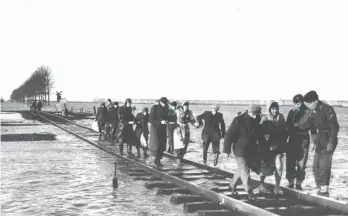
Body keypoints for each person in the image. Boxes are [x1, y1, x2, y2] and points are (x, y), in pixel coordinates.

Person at [297, 90, 339, 197]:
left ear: (315, 101)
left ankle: (325, 189)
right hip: (319, 139)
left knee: (324, 166)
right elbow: (303, 126)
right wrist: (305, 112)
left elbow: (335, 127)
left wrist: (331, 142)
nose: (309, 106)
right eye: (306, 105)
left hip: (329, 138)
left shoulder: (327, 109)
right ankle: (320, 188)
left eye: (309, 104)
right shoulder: (312, 111)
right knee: (315, 166)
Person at [223, 104, 262, 200]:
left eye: (257, 114)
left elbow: (256, 132)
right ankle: (249, 191)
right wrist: (226, 150)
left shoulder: (257, 118)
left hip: (250, 149)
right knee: (245, 169)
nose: (255, 116)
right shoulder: (238, 120)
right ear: (248, 111)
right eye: (253, 114)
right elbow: (228, 135)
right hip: (239, 149)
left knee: (241, 169)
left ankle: (232, 186)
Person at [286, 94, 317, 190]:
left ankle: (298, 184)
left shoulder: (309, 112)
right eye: (295, 104)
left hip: (304, 140)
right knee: (290, 162)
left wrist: (313, 142)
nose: (296, 105)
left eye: (298, 103)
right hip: (292, 140)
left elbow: (313, 128)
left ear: (302, 102)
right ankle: (291, 183)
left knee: (301, 164)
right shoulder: (291, 112)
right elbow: (288, 126)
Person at [258, 101, 288, 194]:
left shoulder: (281, 117)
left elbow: (286, 131)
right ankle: (261, 184)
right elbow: (259, 132)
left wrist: (283, 141)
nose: (275, 111)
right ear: (269, 109)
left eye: (276, 108)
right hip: (267, 147)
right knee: (265, 166)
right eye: (273, 109)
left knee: (279, 165)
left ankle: (277, 187)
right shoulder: (264, 117)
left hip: (278, 146)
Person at [149, 97, 169, 167]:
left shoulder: (166, 108)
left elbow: (167, 117)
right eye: (163, 103)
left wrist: (167, 121)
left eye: (165, 103)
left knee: (162, 145)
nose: (164, 104)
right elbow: (151, 120)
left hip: (163, 129)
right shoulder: (155, 107)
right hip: (155, 128)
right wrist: (160, 121)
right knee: (156, 145)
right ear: (160, 102)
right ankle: (155, 159)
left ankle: (159, 160)